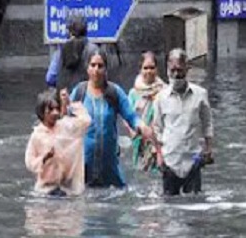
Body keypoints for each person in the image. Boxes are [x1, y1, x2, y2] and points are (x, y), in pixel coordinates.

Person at [70, 48, 153, 188]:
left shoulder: (115, 92)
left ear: (106, 69)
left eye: (100, 66)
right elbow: (65, 123)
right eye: (93, 65)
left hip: (109, 166)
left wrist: (143, 128)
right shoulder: (79, 92)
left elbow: (131, 117)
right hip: (82, 164)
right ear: (87, 68)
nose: (96, 70)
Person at [153, 49, 213, 196]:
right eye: (172, 70)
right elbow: (157, 128)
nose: (175, 75)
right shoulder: (161, 98)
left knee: (193, 206)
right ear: (167, 70)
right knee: (169, 205)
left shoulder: (200, 95)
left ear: (187, 68)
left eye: (179, 70)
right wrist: (159, 155)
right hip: (170, 159)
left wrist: (209, 148)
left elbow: (207, 123)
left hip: (193, 158)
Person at [25, 89, 91, 196]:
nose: (55, 113)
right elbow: (29, 163)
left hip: (68, 189)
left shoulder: (65, 126)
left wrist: (70, 104)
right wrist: (44, 158)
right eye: (50, 110)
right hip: (45, 190)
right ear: (42, 113)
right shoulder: (37, 136)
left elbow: (86, 121)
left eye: (56, 108)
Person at [127, 51, 166, 172]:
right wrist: (132, 132)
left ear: (157, 69)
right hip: (139, 141)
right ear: (140, 70)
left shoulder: (165, 92)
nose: (149, 71)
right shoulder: (133, 93)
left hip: (159, 142)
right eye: (145, 68)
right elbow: (127, 116)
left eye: (152, 68)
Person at [45, 17, 98, 92]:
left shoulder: (60, 51)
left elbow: (50, 78)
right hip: (87, 97)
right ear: (86, 31)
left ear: (69, 31)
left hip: (65, 98)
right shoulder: (94, 50)